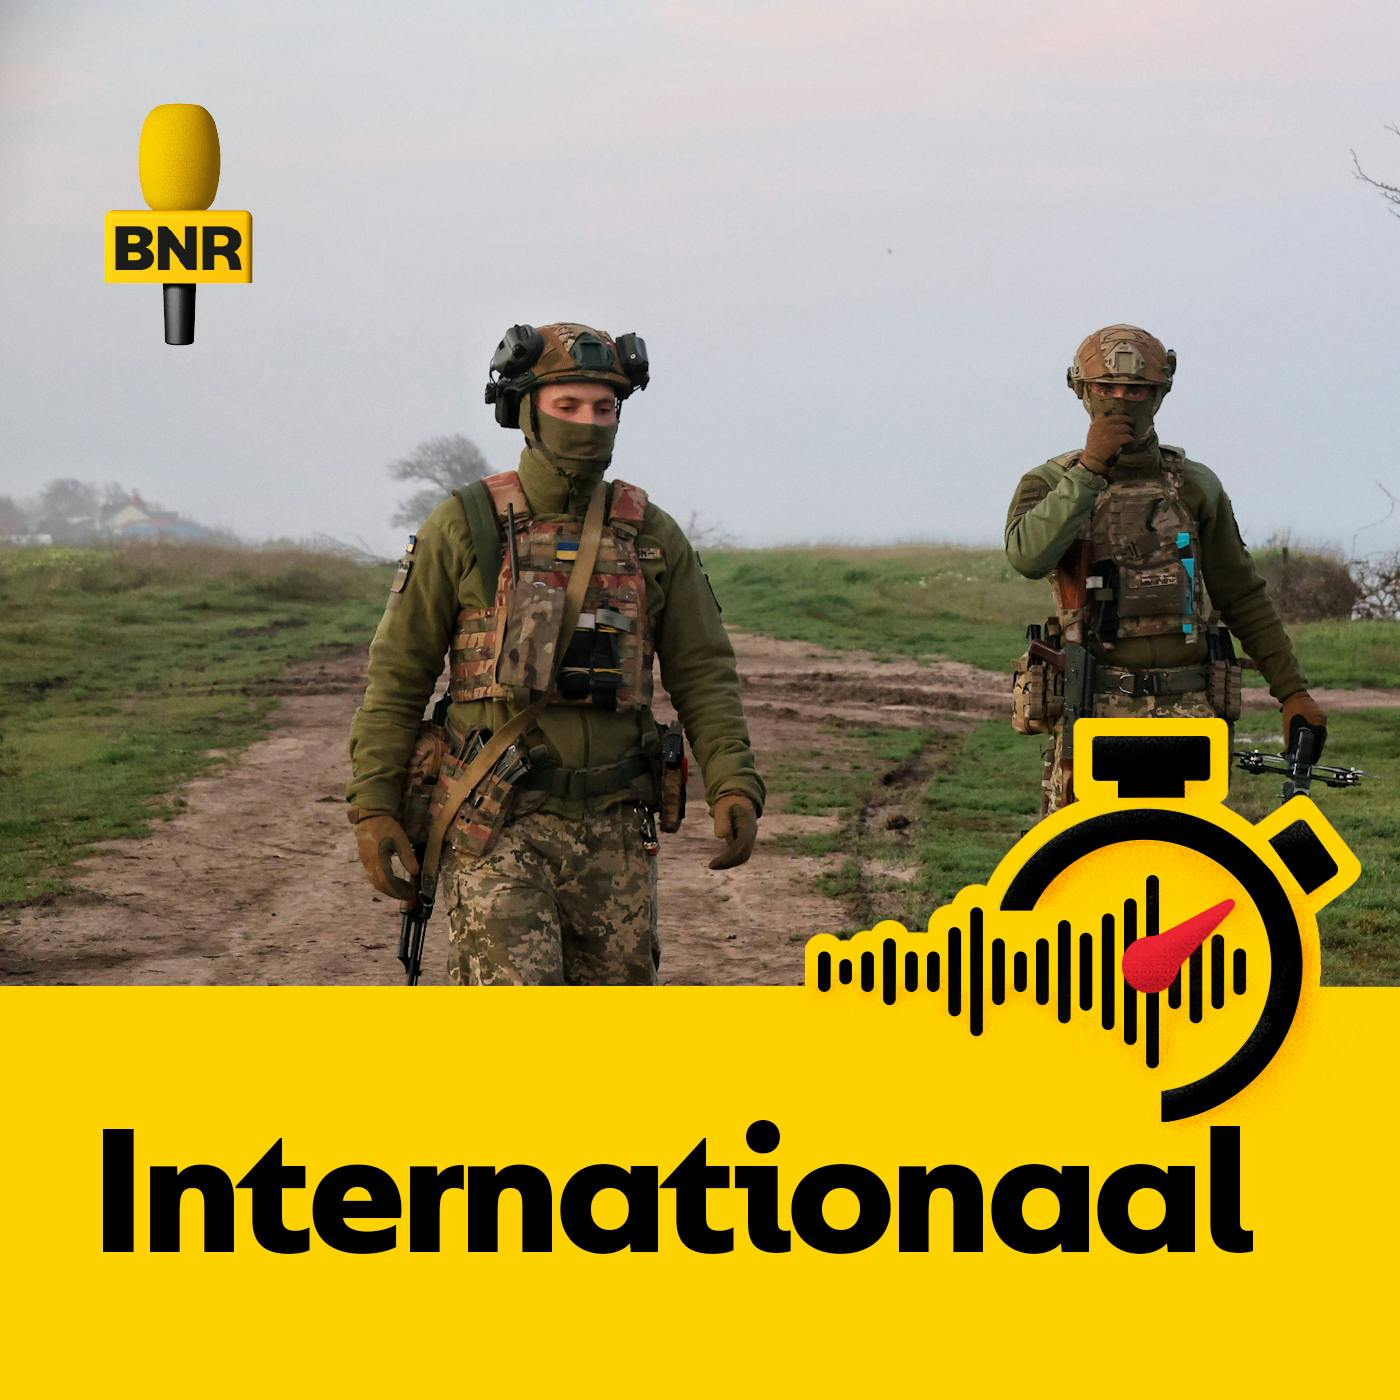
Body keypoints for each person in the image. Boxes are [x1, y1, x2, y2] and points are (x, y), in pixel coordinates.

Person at [346, 322, 763, 983]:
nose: (588, 424)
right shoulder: (465, 526)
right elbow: (398, 677)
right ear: (526, 412)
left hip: (617, 831)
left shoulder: (650, 535)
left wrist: (733, 782)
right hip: (496, 824)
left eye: (604, 408)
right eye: (567, 406)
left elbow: (704, 672)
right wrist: (374, 804)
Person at [1005, 323, 1326, 813]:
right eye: (1106, 388)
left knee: (1188, 850)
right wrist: (1089, 471)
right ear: (1081, 391)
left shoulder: (1194, 486)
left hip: (1189, 712)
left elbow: (1242, 595)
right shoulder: (1050, 483)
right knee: (1090, 853)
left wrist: (1293, 692)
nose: (1120, 401)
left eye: (1136, 390)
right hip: (1093, 712)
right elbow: (1028, 556)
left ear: (1159, 394)